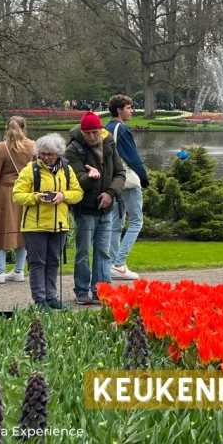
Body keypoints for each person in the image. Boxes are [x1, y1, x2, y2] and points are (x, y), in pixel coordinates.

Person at [12, 133, 84, 310]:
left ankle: (51, 298)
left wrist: (63, 195)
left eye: (50, 154)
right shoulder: (31, 169)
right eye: (43, 153)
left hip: (59, 226)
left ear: (58, 153)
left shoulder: (66, 170)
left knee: (53, 262)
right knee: (37, 263)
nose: (46, 157)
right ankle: (40, 301)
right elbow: (17, 195)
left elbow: (78, 193)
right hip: (34, 226)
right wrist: (37, 197)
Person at [66, 112, 126, 305]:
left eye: (95, 132)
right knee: (83, 251)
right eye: (88, 133)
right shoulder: (73, 149)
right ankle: (82, 290)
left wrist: (110, 193)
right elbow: (75, 180)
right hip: (85, 210)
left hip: (106, 208)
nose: (92, 137)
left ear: (101, 130)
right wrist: (91, 178)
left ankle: (102, 289)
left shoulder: (109, 144)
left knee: (103, 251)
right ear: (82, 132)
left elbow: (120, 173)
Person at [0, 116, 35, 284]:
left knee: (0, 229)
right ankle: (19, 270)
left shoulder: (0, 148)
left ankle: (0, 271)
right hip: (25, 193)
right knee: (22, 231)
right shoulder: (33, 146)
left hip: (4, 193)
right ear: (24, 128)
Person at [106, 95, 150, 281]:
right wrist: (144, 178)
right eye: (129, 108)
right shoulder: (122, 129)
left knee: (116, 224)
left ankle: (112, 264)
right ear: (119, 110)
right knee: (136, 221)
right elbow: (133, 158)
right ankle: (119, 264)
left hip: (112, 181)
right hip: (127, 179)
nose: (132, 111)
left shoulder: (105, 128)